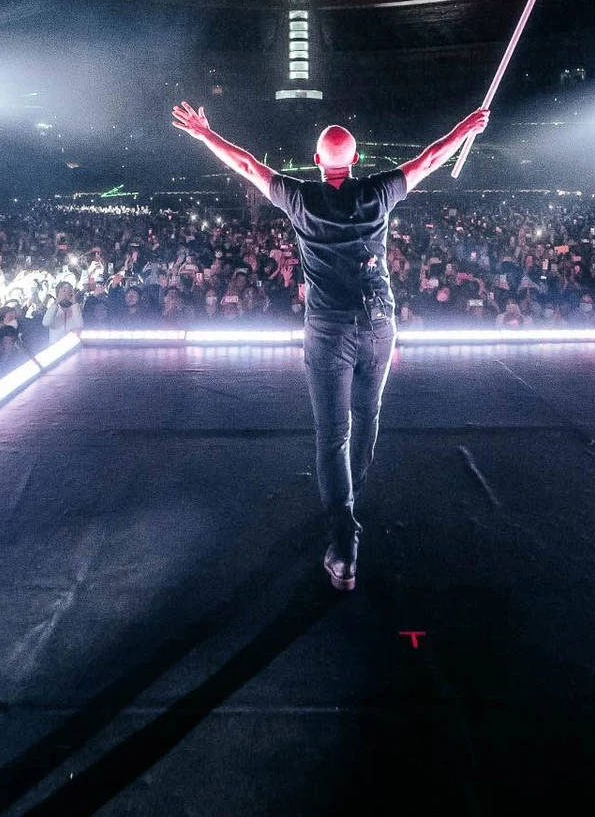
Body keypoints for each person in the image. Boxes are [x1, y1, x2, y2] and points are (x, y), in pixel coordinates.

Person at [171, 100, 490, 590]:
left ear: (318, 163)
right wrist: (464, 126)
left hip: (327, 330)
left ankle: (343, 544)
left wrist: (203, 135)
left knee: (331, 437)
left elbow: (246, 163)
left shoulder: (300, 198)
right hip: (379, 324)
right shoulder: (380, 192)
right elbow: (429, 158)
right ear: (356, 162)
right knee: (367, 417)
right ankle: (351, 499)